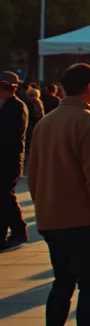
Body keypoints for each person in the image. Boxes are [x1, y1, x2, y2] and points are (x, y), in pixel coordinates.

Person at [28, 63, 90, 326]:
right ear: (89, 87)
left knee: (62, 282)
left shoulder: (45, 123)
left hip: (51, 219)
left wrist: (43, 207)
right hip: (82, 220)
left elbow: (34, 176)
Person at [0, 72, 29, 248]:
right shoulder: (6, 106)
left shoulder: (16, 107)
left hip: (8, 159)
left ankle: (19, 231)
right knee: (3, 198)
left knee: (5, 196)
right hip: (5, 158)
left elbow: (11, 137)